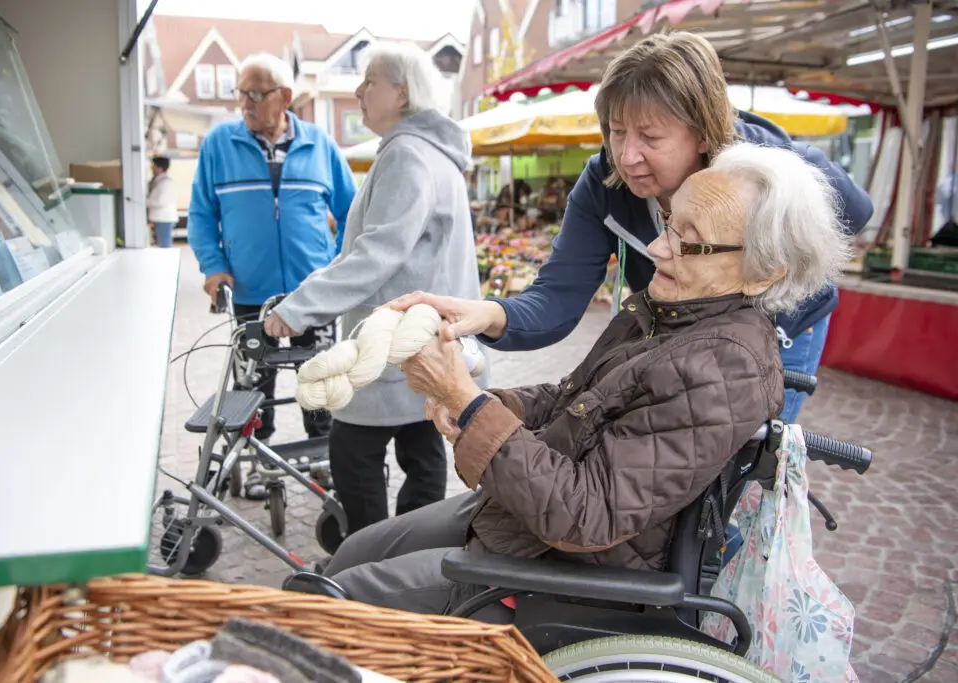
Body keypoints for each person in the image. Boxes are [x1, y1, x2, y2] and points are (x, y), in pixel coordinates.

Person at [313, 141, 851, 616]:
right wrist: (474, 403)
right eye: (669, 224)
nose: (659, 248)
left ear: (764, 269)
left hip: (574, 576)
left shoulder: (721, 367)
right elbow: (571, 402)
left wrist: (467, 399)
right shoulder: (671, 313)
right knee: (352, 552)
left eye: (691, 241)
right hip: (527, 523)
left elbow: (587, 516)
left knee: (328, 600)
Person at [395, 32, 874, 425]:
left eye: (651, 136)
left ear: (704, 131)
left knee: (744, 459)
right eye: (617, 131)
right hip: (686, 325)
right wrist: (483, 314)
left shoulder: (761, 165)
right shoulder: (605, 183)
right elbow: (557, 300)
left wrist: (770, 270)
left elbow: (855, 210)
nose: (627, 156)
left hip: (781, 323)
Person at [262, 42, 488, 534]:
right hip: (422, 341)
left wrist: (301, 308)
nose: (359, 91)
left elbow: (376, 252)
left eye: (370, 82)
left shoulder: (408, 155)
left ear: (402, 93)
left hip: (393, 342)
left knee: (354, 451)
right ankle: (407, 554)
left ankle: (371, 553)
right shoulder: (431, 154)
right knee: (421, 449)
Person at [187, 53, 357, 498]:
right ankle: (259, 462)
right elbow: (202, 215)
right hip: (249, 294)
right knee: (251, 385)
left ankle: (324, 461)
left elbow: (352, 213)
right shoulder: (218, 144)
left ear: (284, 97)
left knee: (319, 379)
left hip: (313, 292)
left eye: (255, 93)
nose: (245, 102)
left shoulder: (320, 145)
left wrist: (337, 267)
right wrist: (214, 267)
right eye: (240, 92)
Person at [146, 156, 178, 248]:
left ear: (159, 168)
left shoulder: (165, 183)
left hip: (164, 218)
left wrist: (144, 202)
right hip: (160, 218)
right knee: (162, 244)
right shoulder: (159, 181)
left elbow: (161, 202)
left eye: (153, 166)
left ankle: (168, 262)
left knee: (165, 245)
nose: (151, 168)